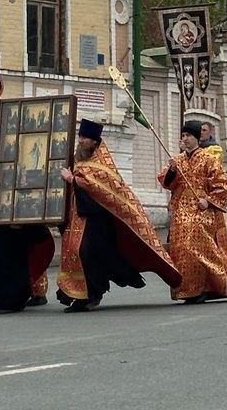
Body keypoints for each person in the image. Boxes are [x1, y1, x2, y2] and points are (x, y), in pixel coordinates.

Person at [57, 119, 181, 310]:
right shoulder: (77, 159)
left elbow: (100, 187)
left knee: (86, 252)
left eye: (85, 138)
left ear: (95, 142)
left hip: (98, 218)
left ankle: (91, 296)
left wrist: (73, 179)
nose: (81, 141)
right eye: (80, 137)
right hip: (78, 216)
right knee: (77, 252)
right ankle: (81, 294)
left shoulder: (102, 163)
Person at [0, 119, 54, 316]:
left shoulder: (9, 155)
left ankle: (8, 296)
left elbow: (23, 180)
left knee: (6, 259)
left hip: (7, 216)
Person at [159, 120, 227, 304]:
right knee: (180, 248)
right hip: (180, 210)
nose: (185, 139)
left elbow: (223, 185)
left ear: (197, 138)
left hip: (202, 210)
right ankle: (186, 289)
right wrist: (172, 171)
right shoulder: (177, 160)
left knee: (195, 245)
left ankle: (204, 287)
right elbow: (167, 183)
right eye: (183, 135)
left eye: (189, 135)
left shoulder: (209, 159)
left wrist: (208, 200)